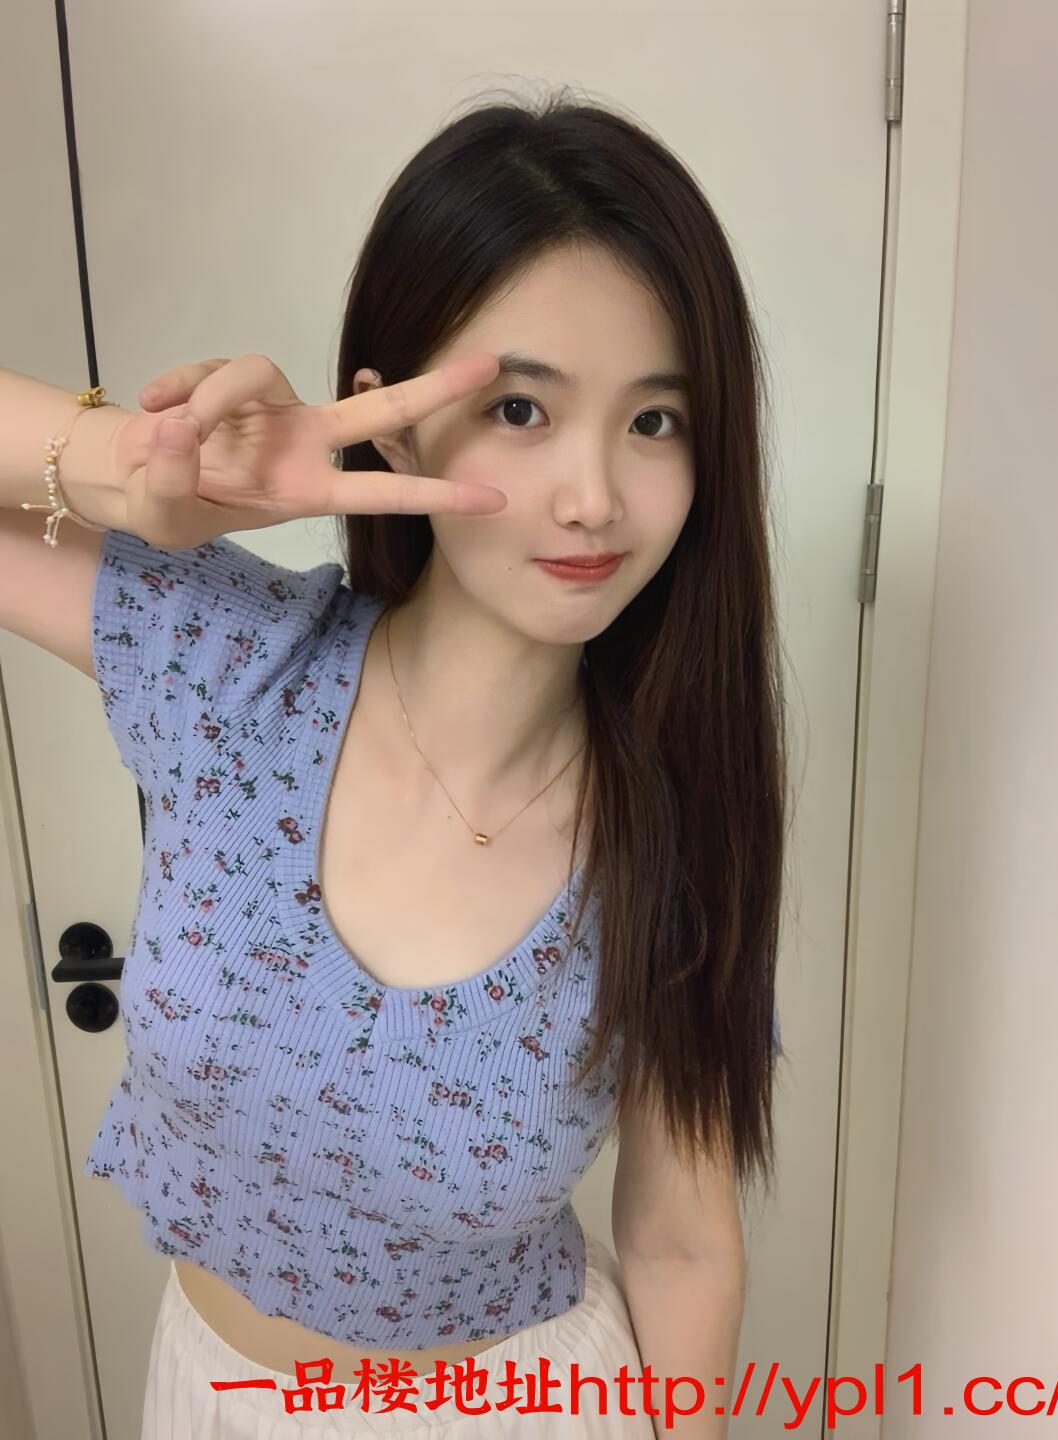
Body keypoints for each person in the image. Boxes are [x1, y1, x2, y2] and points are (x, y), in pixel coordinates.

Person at [0, 88, 786, 1438]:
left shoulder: (674, 827)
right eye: (523, 408)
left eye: (656, 422)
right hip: (206, 1397)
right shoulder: (226, 661)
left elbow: (682, 1242)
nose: (595, 496)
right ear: (394, 421)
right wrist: (139, 466)